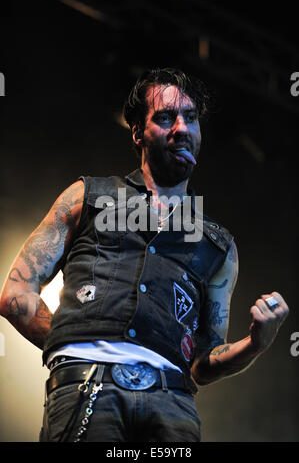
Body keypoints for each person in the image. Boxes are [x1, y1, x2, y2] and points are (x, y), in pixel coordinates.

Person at [0, 68, 289, 442]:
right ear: (137, 132)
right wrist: (77, 345)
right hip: (88, 390)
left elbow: (203, 363)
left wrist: (256, 342)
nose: (181, 128)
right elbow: (15, 293)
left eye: (191, 117)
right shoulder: (86, 196)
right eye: (166, 117)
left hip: (174, 406)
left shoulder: (218, 246)